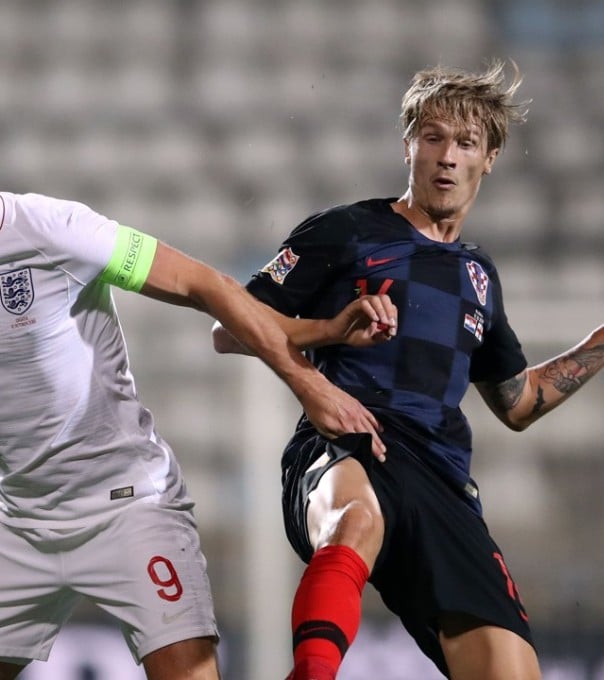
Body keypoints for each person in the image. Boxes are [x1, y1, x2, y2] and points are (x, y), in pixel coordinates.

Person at [0, 78, 397, 680]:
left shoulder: (53, 230)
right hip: (25, 521)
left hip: (128, 506)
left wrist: (305, 381)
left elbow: (204, 285)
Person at [214, 60, 604, 680]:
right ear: (409, 146)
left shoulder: (480, 278)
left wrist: (600, 344)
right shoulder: (347, 231)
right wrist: (327, 329)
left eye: (466, 143)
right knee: (357, 517)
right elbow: (231, 327)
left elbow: (519, 403)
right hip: (347, 440)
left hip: (442, 478)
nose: (448, 157)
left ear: (490, 157)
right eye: (434, 138)